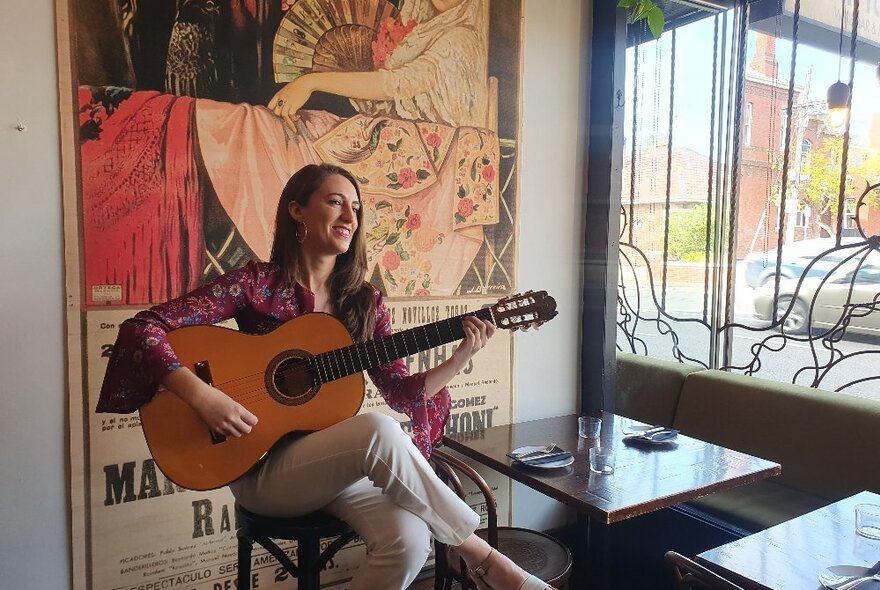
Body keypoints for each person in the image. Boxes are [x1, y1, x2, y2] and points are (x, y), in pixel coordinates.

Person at [97, 164, 553, 590]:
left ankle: (476, 557)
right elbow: (142, 328)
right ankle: (487, 561)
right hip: (258, 468)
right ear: (297, 210)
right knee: (377, 429)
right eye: (335, 202)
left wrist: (460, 358)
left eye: (355, 208)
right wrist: (201, 396)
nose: (349, 216)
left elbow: (400, 391)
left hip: (331, 463)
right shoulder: (255, 285)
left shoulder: (363, 302)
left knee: (410, 542)